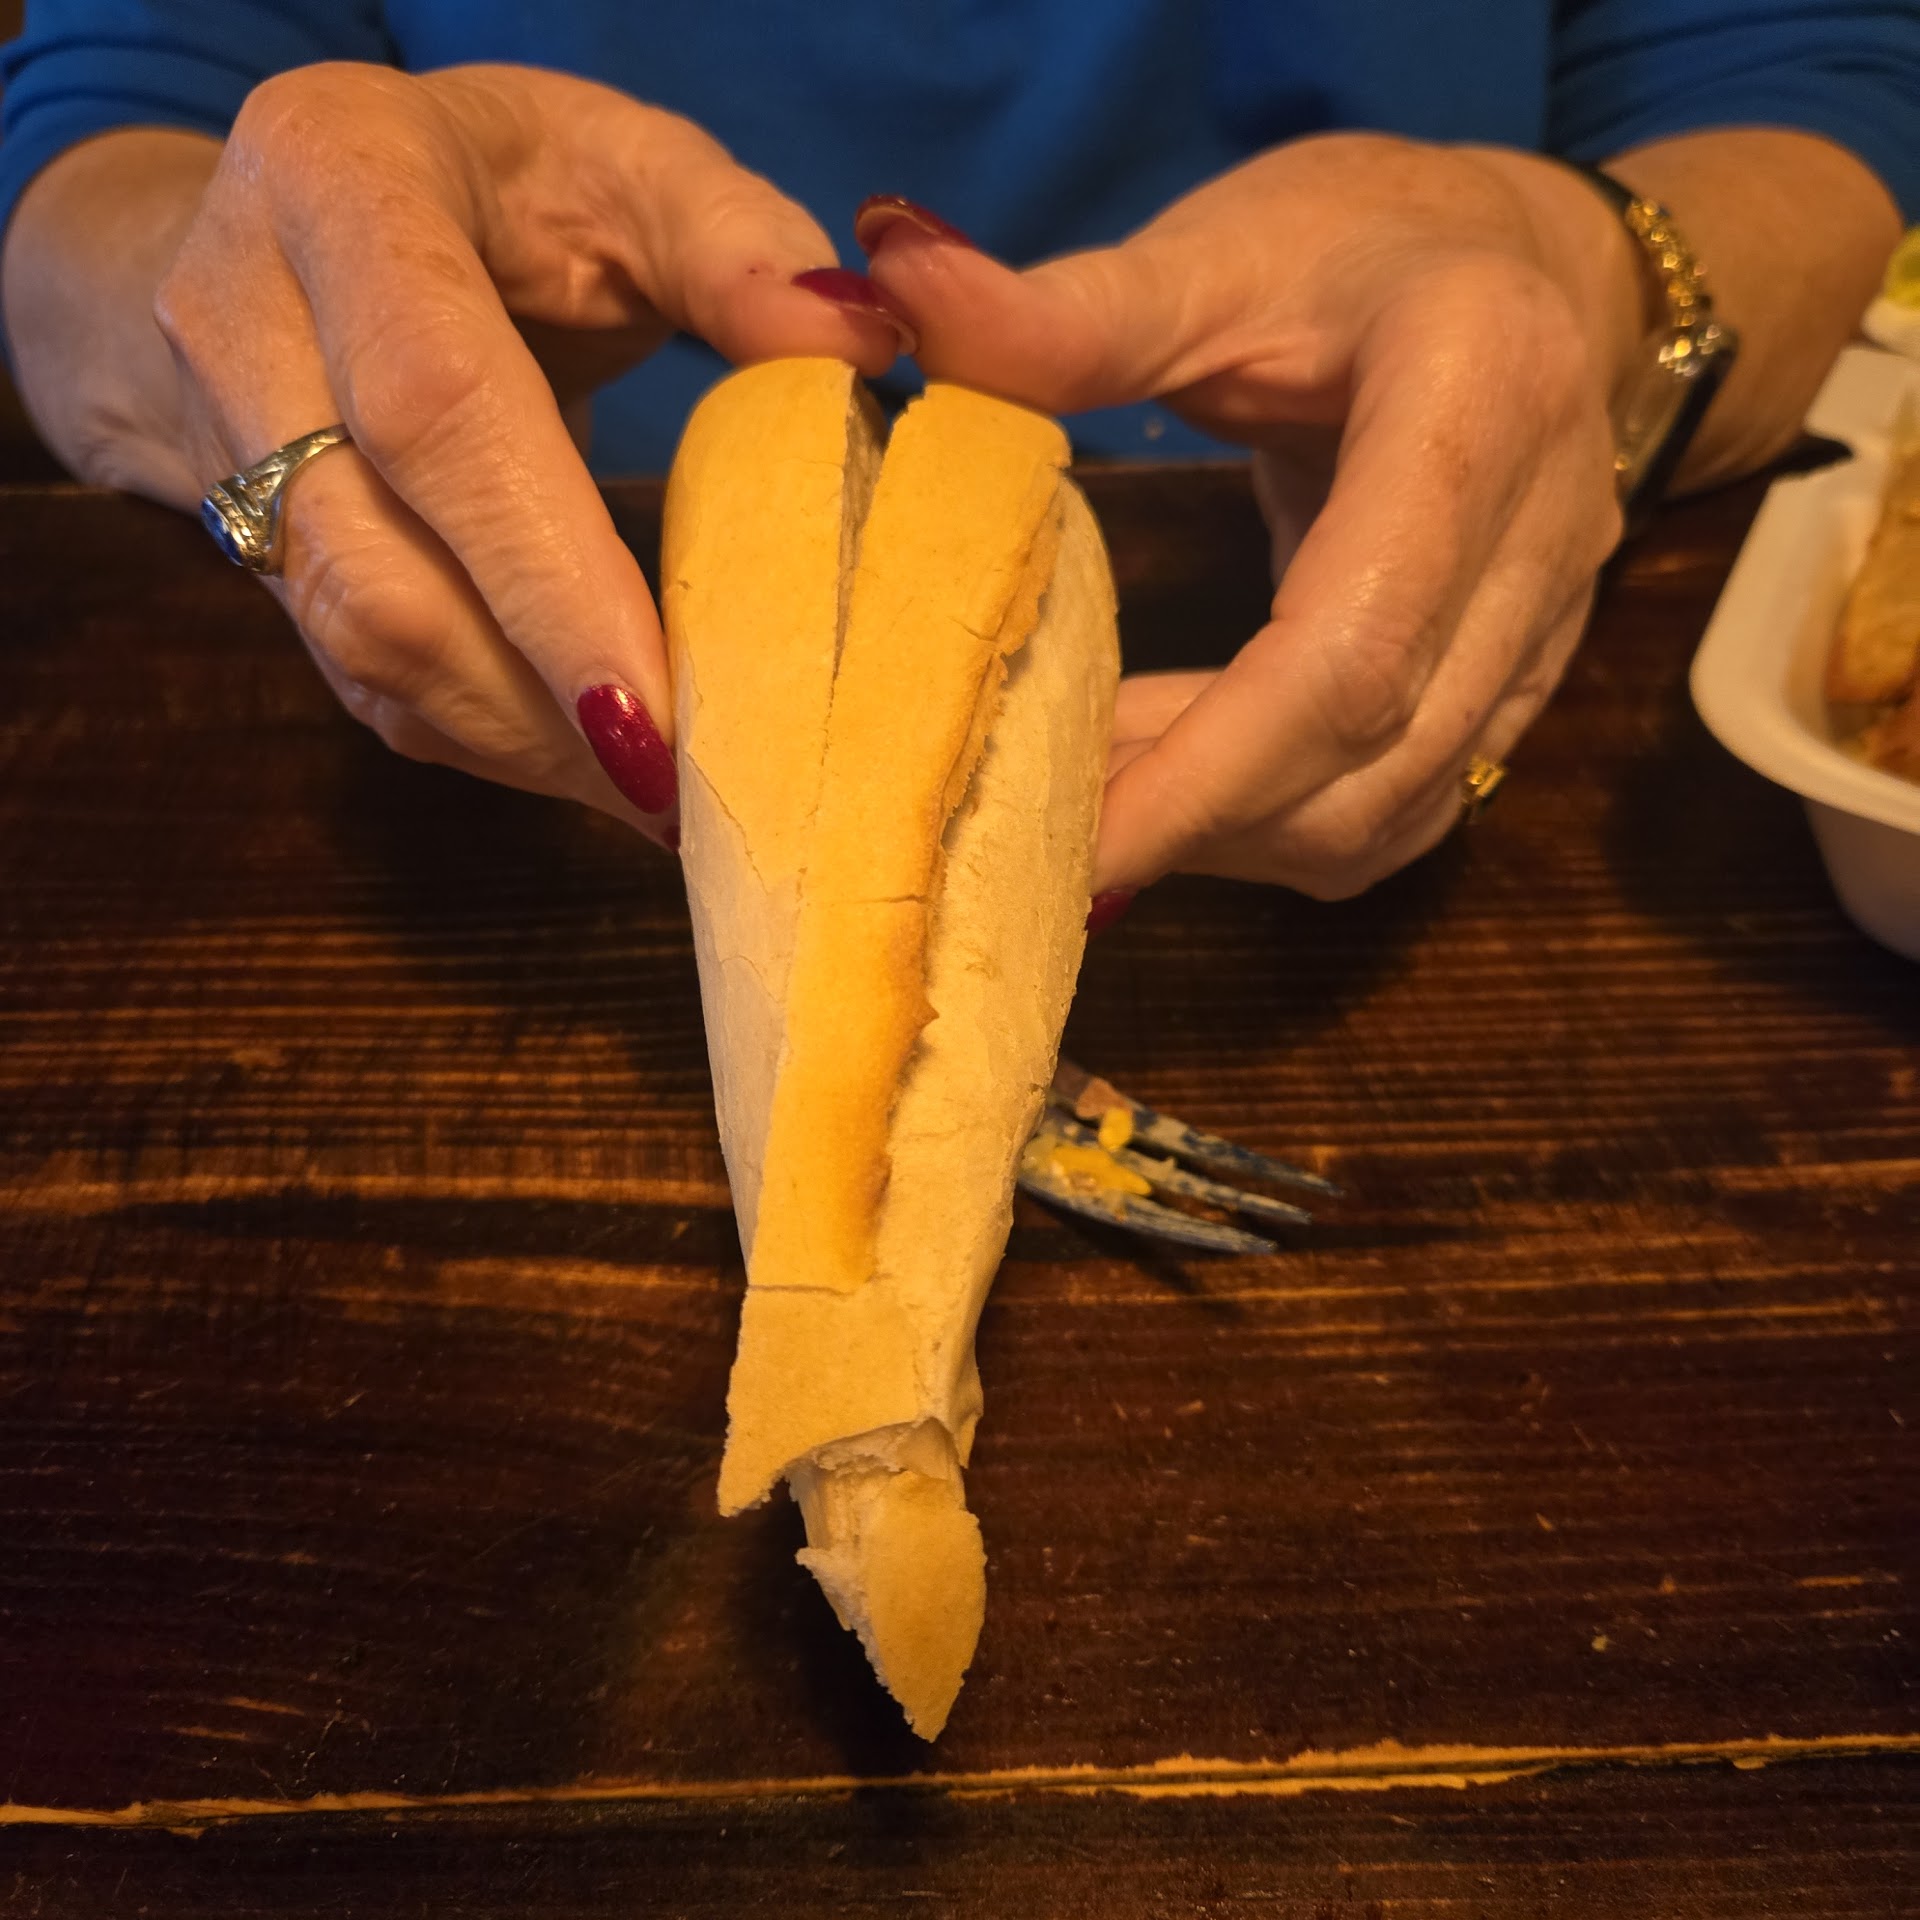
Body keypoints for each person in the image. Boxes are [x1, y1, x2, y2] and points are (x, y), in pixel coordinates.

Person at [1, 5, 1913, 907]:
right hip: (490, 783)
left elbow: (1809, 74)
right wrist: (268, 292)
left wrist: (1589, 272)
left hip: (1359, 644)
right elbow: (111, 126)